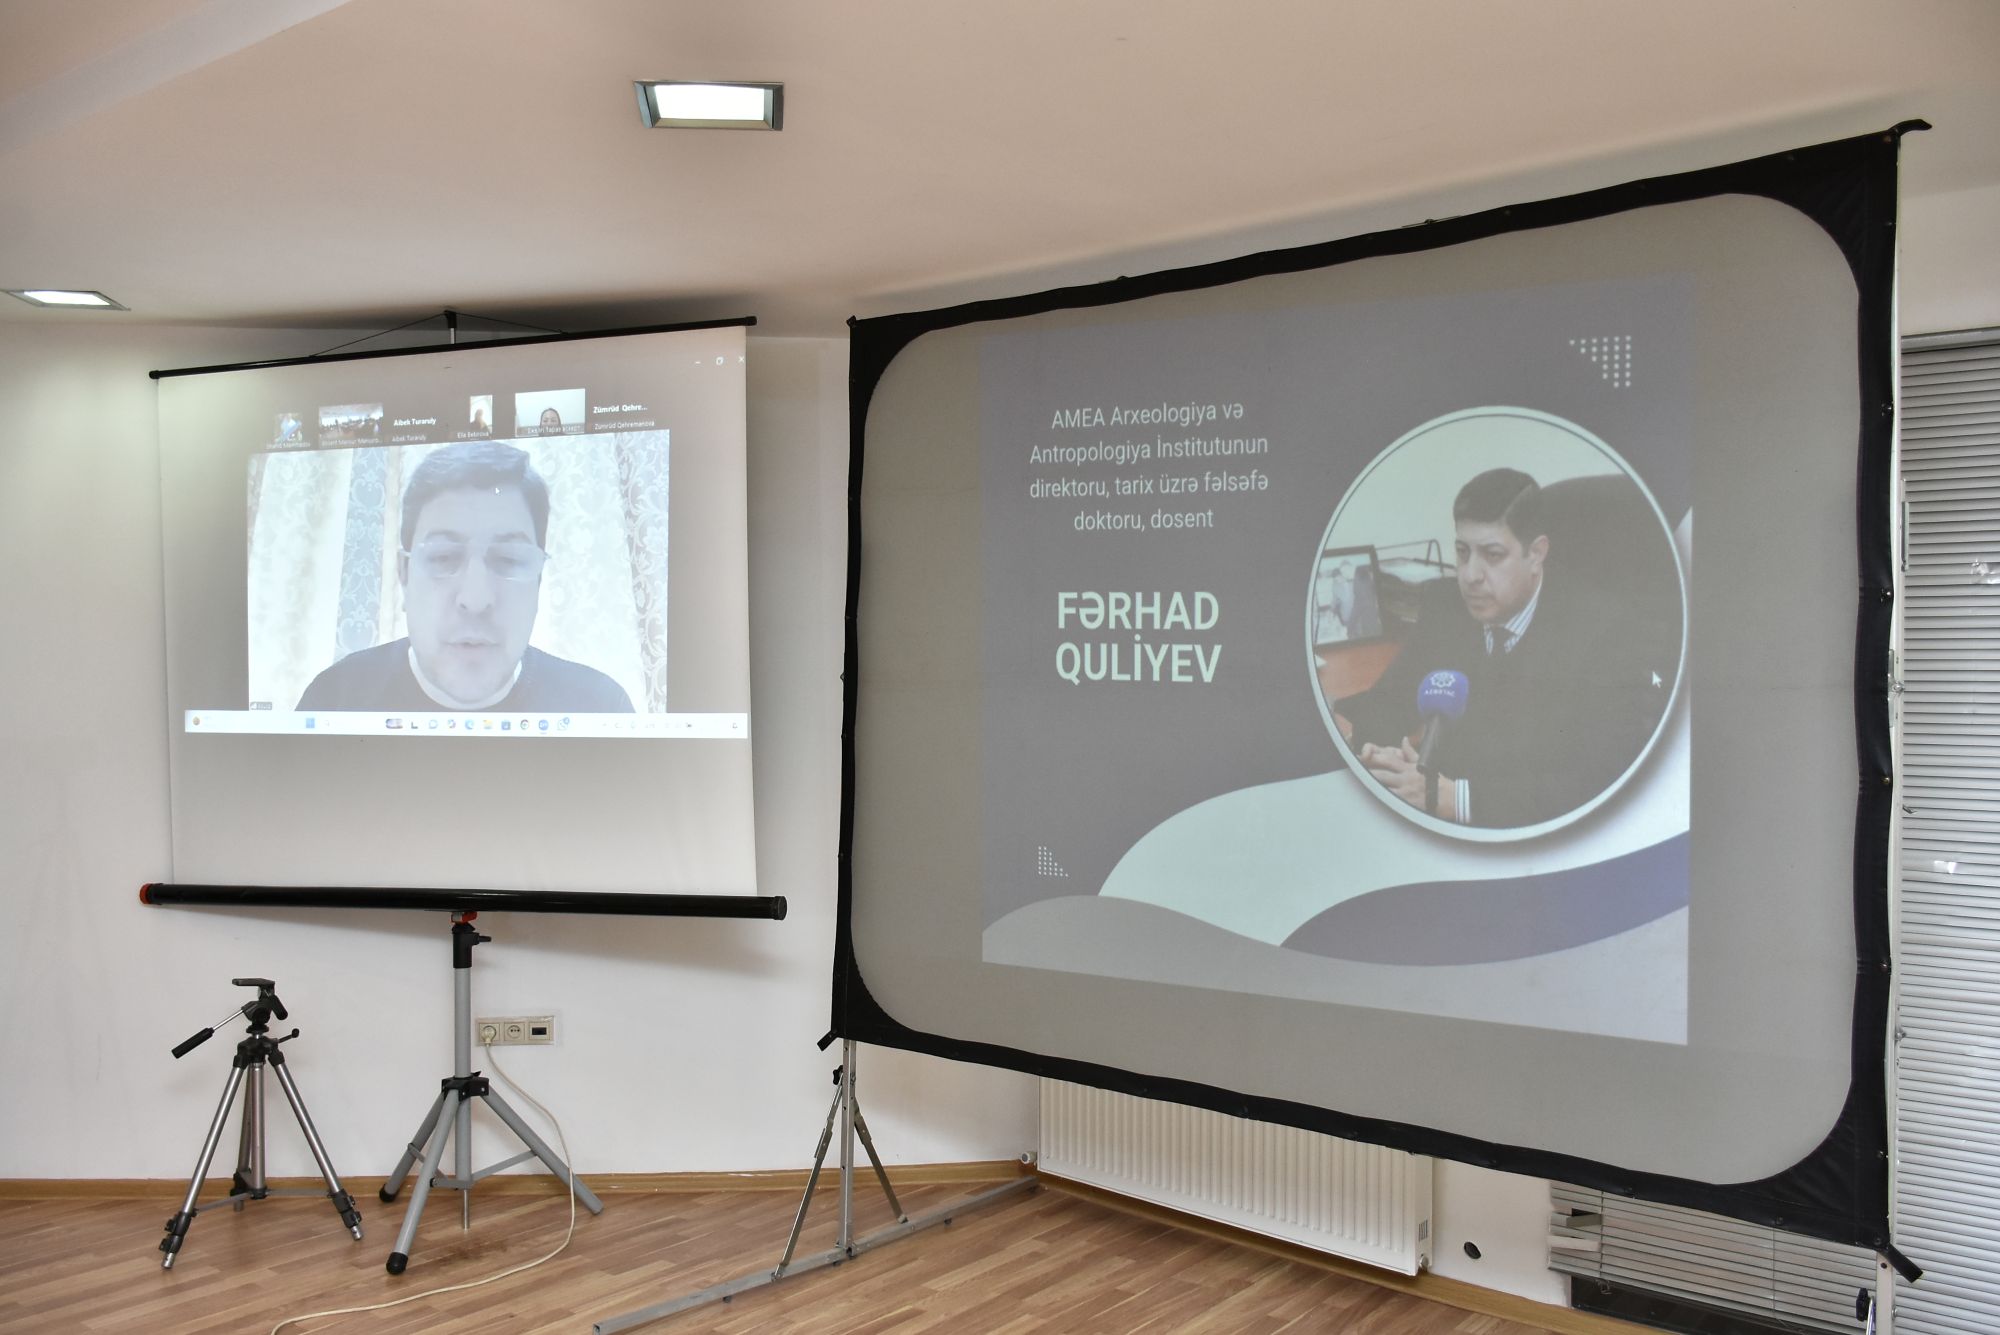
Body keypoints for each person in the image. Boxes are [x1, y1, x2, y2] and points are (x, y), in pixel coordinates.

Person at [1336, 468, 1669, 829]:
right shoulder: (1446, 605)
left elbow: (1600, 777)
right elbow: (1388, 701)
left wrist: (1459, 799)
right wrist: (1374, 750)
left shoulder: (1604, 634)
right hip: (1437, 821)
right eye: (1462, 552)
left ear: (1536, 554)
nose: (1470, 575)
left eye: (1492, 555)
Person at [296, 441, 634, 712]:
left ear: (538, 582)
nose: (475, 599)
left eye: (509, 559)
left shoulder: (601, 706)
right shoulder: (335, 698)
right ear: (405, 575)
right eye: (443, 557)